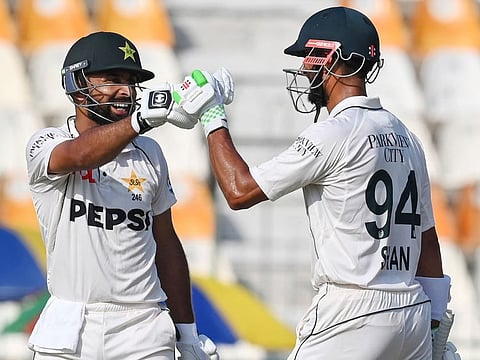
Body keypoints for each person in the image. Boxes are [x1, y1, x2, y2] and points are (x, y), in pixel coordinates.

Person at [172, 6, 461, 360]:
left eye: (310, 56)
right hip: (411, 310)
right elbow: (427, 241)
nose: (305, 67)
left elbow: (239, 190)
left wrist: (212, 114)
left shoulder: (332, 133)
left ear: (333, 57)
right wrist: (433, 323)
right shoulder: (409, 137)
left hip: (353, 311)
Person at [25, 31, 219, 360]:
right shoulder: (46, 142)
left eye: (131, 82)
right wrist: (138, 121)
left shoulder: (150, 152)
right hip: (71, 326)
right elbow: (78, 156)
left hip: (143, 328)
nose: (126, 92)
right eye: (113, 79)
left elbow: (167, 244)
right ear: (77, 85)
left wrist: (187, 334)